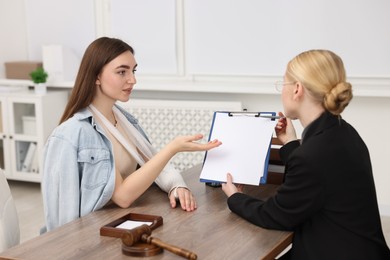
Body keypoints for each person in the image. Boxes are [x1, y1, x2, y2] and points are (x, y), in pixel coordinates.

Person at [222, 50, 390, 259]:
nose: (281, 91)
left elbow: (275, 215)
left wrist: (235, 197)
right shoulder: (343, 132)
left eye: (283, 84)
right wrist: (291, 143)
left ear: (297, 90)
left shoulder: (312, 154)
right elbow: (314, 181)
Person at [41, 37, 221, 232]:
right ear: (96, 76)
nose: (132, 80)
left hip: (117, 223)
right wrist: (172, 148)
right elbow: (122, 196)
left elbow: (153, 164)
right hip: (90, 235)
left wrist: (177, 185)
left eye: (133, 71)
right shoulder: (70, 135)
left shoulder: (125, 120)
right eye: (121, 72)